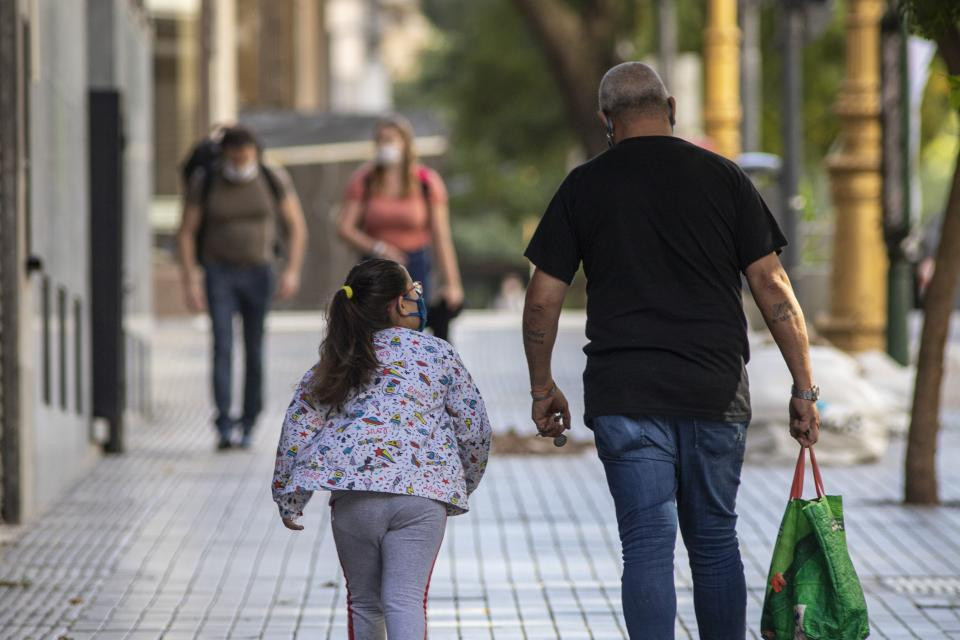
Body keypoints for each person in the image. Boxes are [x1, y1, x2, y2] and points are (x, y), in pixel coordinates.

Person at [521, 62, 821, 640]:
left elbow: (541, 301)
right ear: (672, 107)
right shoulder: (724, 178)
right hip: (713, 389)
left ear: (607, 120)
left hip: (624, 393)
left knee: (647, 545)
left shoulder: (584, 186)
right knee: (713, 540)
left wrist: (542, 387)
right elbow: (773, 289)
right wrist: (804, 387)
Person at [272, 258, 491, 639]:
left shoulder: (338, 358)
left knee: (365, 601)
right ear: (396, 304)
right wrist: (460, 483)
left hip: (355, 499)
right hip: (422, 497)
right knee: (405, 599)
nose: (419, 299)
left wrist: (289, 496)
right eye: (413, 293)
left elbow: (298, 429)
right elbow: (474, 428)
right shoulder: (438, 353)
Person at [177, 125, 308, 450]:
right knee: (222, 345)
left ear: (255, 153)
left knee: (254, 347)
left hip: (259, 271)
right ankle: (223, 421)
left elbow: (296, 226)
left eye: (246, 157)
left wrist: (291, 270)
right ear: (225, 156)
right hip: (218, 272)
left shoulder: (271, 177)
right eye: (234, 158)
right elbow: (187, 232)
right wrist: (190, 279)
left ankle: (249, 420)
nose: (240, 164)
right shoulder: (206, 181)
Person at [337, 114, 464, 341]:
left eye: (391, 140)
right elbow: (345, 228)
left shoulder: (426, 182)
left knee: (413, 331)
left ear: (406, 143)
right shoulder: (364, 180)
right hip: (374, 267)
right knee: (372, 332)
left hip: (414, 265)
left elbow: (441, 236)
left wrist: (452, 284)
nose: (386, 145)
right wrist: (378, 247)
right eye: (381, 140)